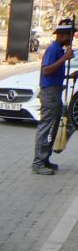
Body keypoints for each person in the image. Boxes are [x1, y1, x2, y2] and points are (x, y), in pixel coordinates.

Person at [32, 18, 78, 175]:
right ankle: (38, 162)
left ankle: (45, 158)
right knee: (46, 126)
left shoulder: (59, 50)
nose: (72, 39)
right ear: (63, 35)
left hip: (55, 91)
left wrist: (68, 77)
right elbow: (46, 71)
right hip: (49, 93)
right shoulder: (54, 50)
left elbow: (53, 74)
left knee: (53, 126)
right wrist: (64, 59)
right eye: (71, 36)